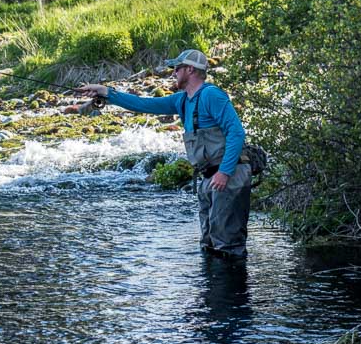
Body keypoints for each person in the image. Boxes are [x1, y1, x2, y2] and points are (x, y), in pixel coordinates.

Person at [78, 49, 251, 258]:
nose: (173, 73)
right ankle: (213, 291)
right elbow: (143, 104)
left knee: (228, 247)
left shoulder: (211, 95)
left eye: (177, 68)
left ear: (190, 70)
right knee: (210, 245)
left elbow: (236, 132)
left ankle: (233, 290)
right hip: (209, 178)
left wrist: (224, 172)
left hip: (227, 176)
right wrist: (106, 92)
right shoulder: (182, 100)